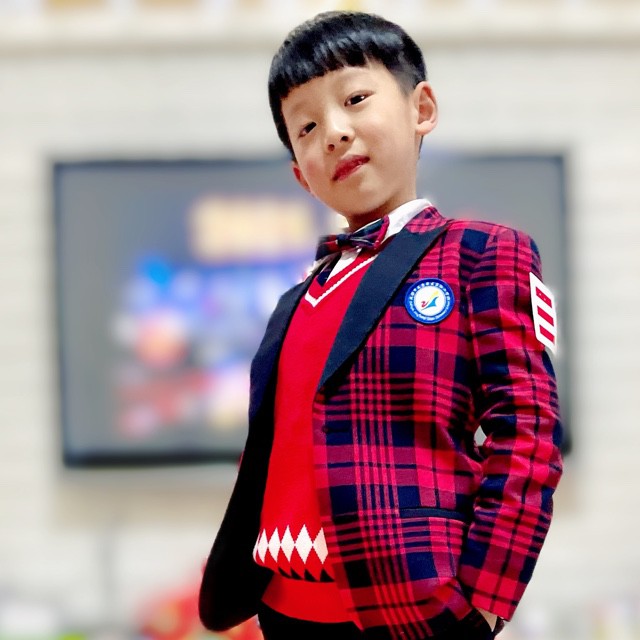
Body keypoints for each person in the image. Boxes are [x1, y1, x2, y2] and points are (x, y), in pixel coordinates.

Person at [199, 11, 563, 640]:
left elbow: (528, 434)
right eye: (306, 127)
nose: (334, 133)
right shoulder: (293, 300)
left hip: (411, 613)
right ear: (299, 174)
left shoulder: (480, 253)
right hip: (281, 610)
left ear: (421, 108)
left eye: (355, 99)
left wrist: (484, 604)